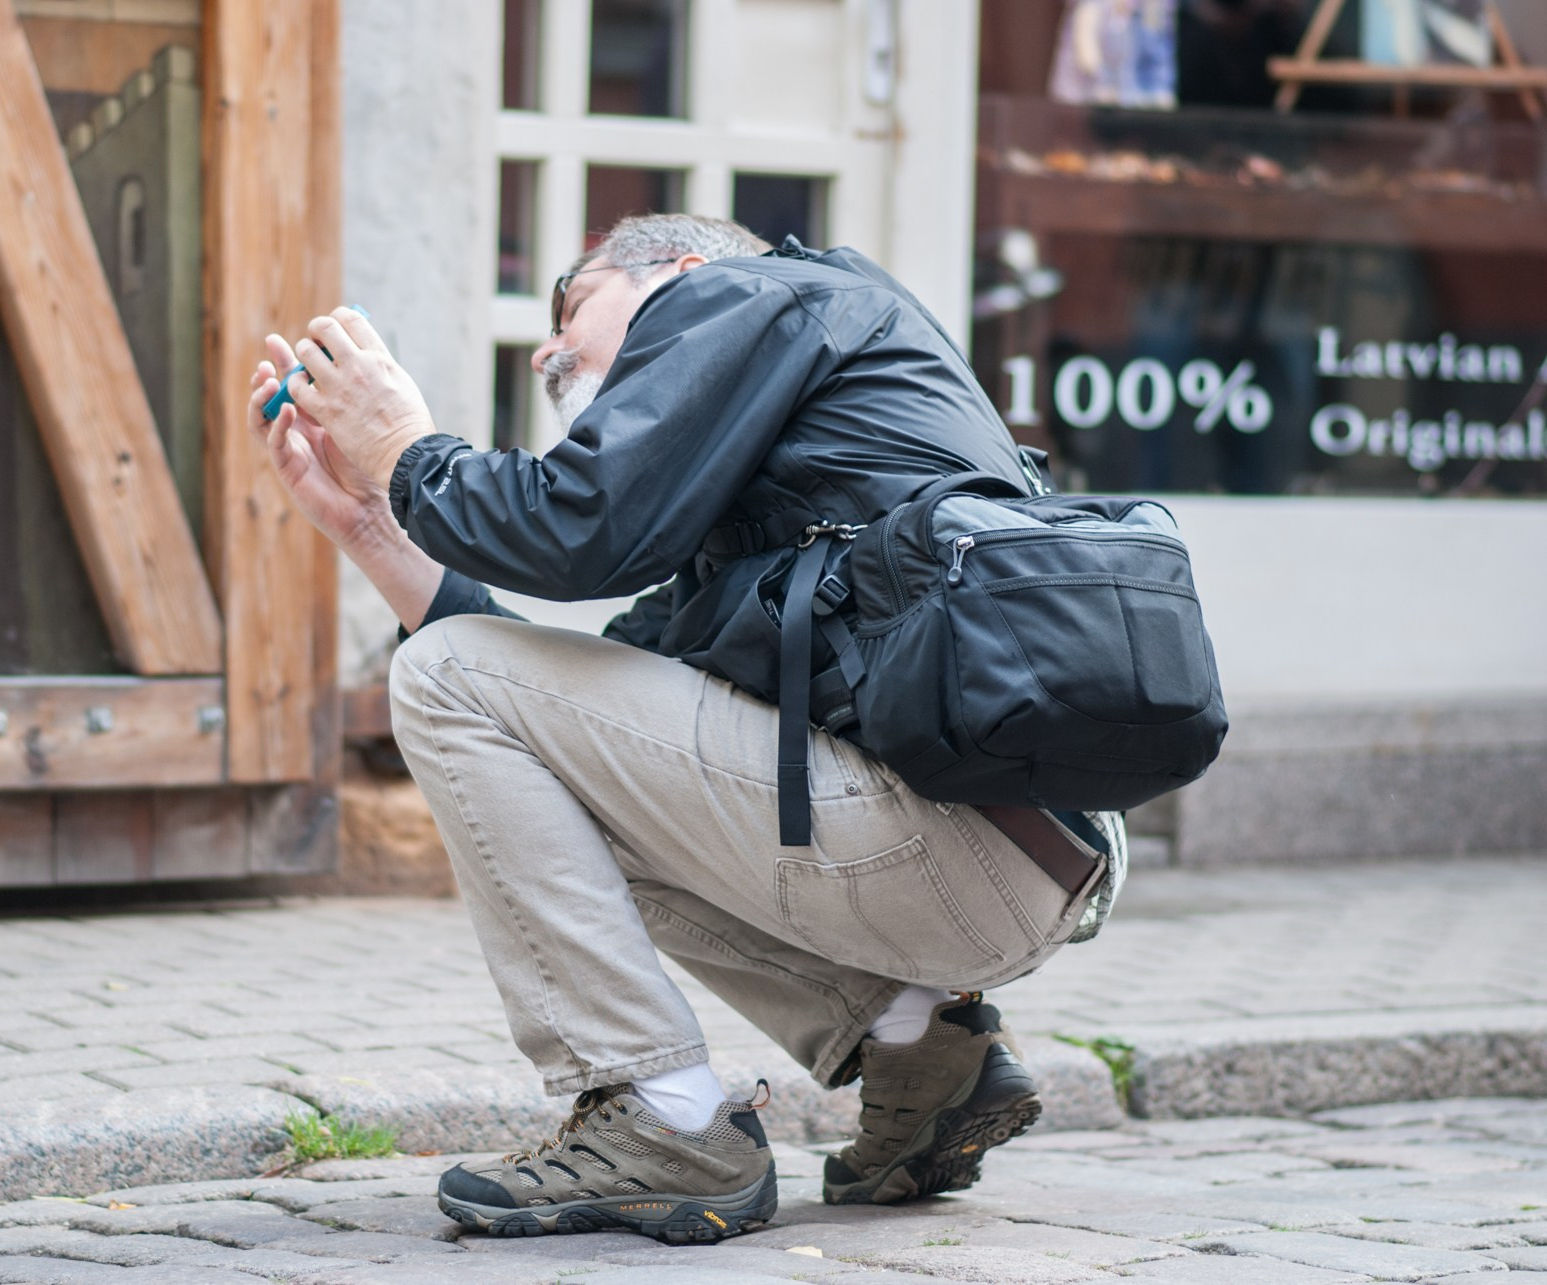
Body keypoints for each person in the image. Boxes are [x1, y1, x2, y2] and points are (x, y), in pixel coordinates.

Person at [248, 215, 1124, 1244]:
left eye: (573, 301)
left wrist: (404, 446)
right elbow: (565, 717)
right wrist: (370, 527)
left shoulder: (761, 295)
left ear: (682, 272)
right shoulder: (784, 465)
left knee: (444, 675)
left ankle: (660, 1115)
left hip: (955, 839)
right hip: (1013, 858)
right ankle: (922, 1041)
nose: (545, 349)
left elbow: (579, 534)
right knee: (510, 723)